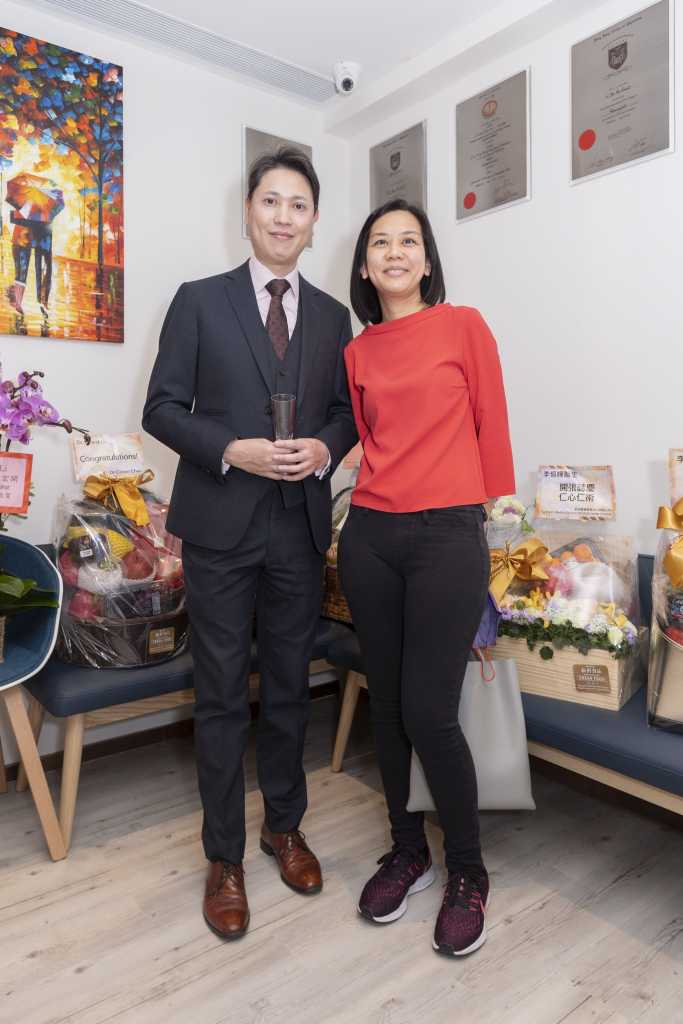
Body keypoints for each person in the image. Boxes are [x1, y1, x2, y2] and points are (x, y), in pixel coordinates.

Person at [142, 148, 357, 941]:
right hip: (221, 527)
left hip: (298, 529)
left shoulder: (333, 316)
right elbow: (162, 408)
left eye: (297, 204)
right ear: (248, 210)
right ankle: (224, 857)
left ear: (313, 221)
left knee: (292, 688)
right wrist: (232, 449)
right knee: (223, 695)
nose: (282, 216)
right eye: (270, 200)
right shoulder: (199, 300)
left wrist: (325, 448)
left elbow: (346, 413)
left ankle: (283, 828)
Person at [338, 198, 515, 957]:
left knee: (428, 711)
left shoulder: (463, 326)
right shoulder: (358, 352)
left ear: (428, 259)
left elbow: (491, 421)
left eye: (409, 241)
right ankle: (407, 851)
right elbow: (365, 438)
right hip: (370, 535)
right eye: (381, 242)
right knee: (385, 705)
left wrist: (491, 514)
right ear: (365, 264)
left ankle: (467, 871)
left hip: (448, 533)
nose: (395, 252)